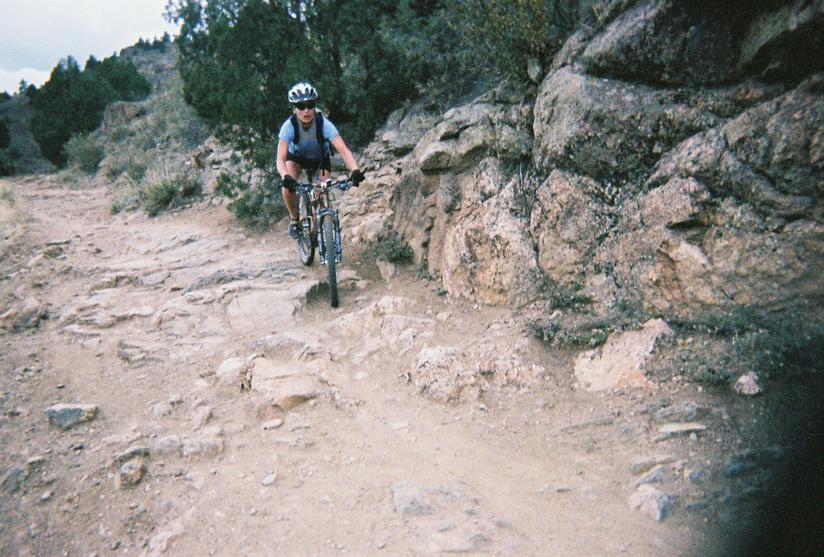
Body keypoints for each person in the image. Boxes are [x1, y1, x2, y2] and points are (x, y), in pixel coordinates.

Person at [276, 82, 365, 238]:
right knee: (287, 187)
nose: (306, 110)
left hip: (320, 161)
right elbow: (281, 158)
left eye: (310, 105)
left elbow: (343, 150)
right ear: (295, 108)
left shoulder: (324, 124)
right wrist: (285, 177)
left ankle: (322, 225)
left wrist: (355, 170)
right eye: (301, 106)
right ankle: (295, 219)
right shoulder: (288, 127)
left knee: (319, 190)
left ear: (314, 105)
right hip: (296, 159)